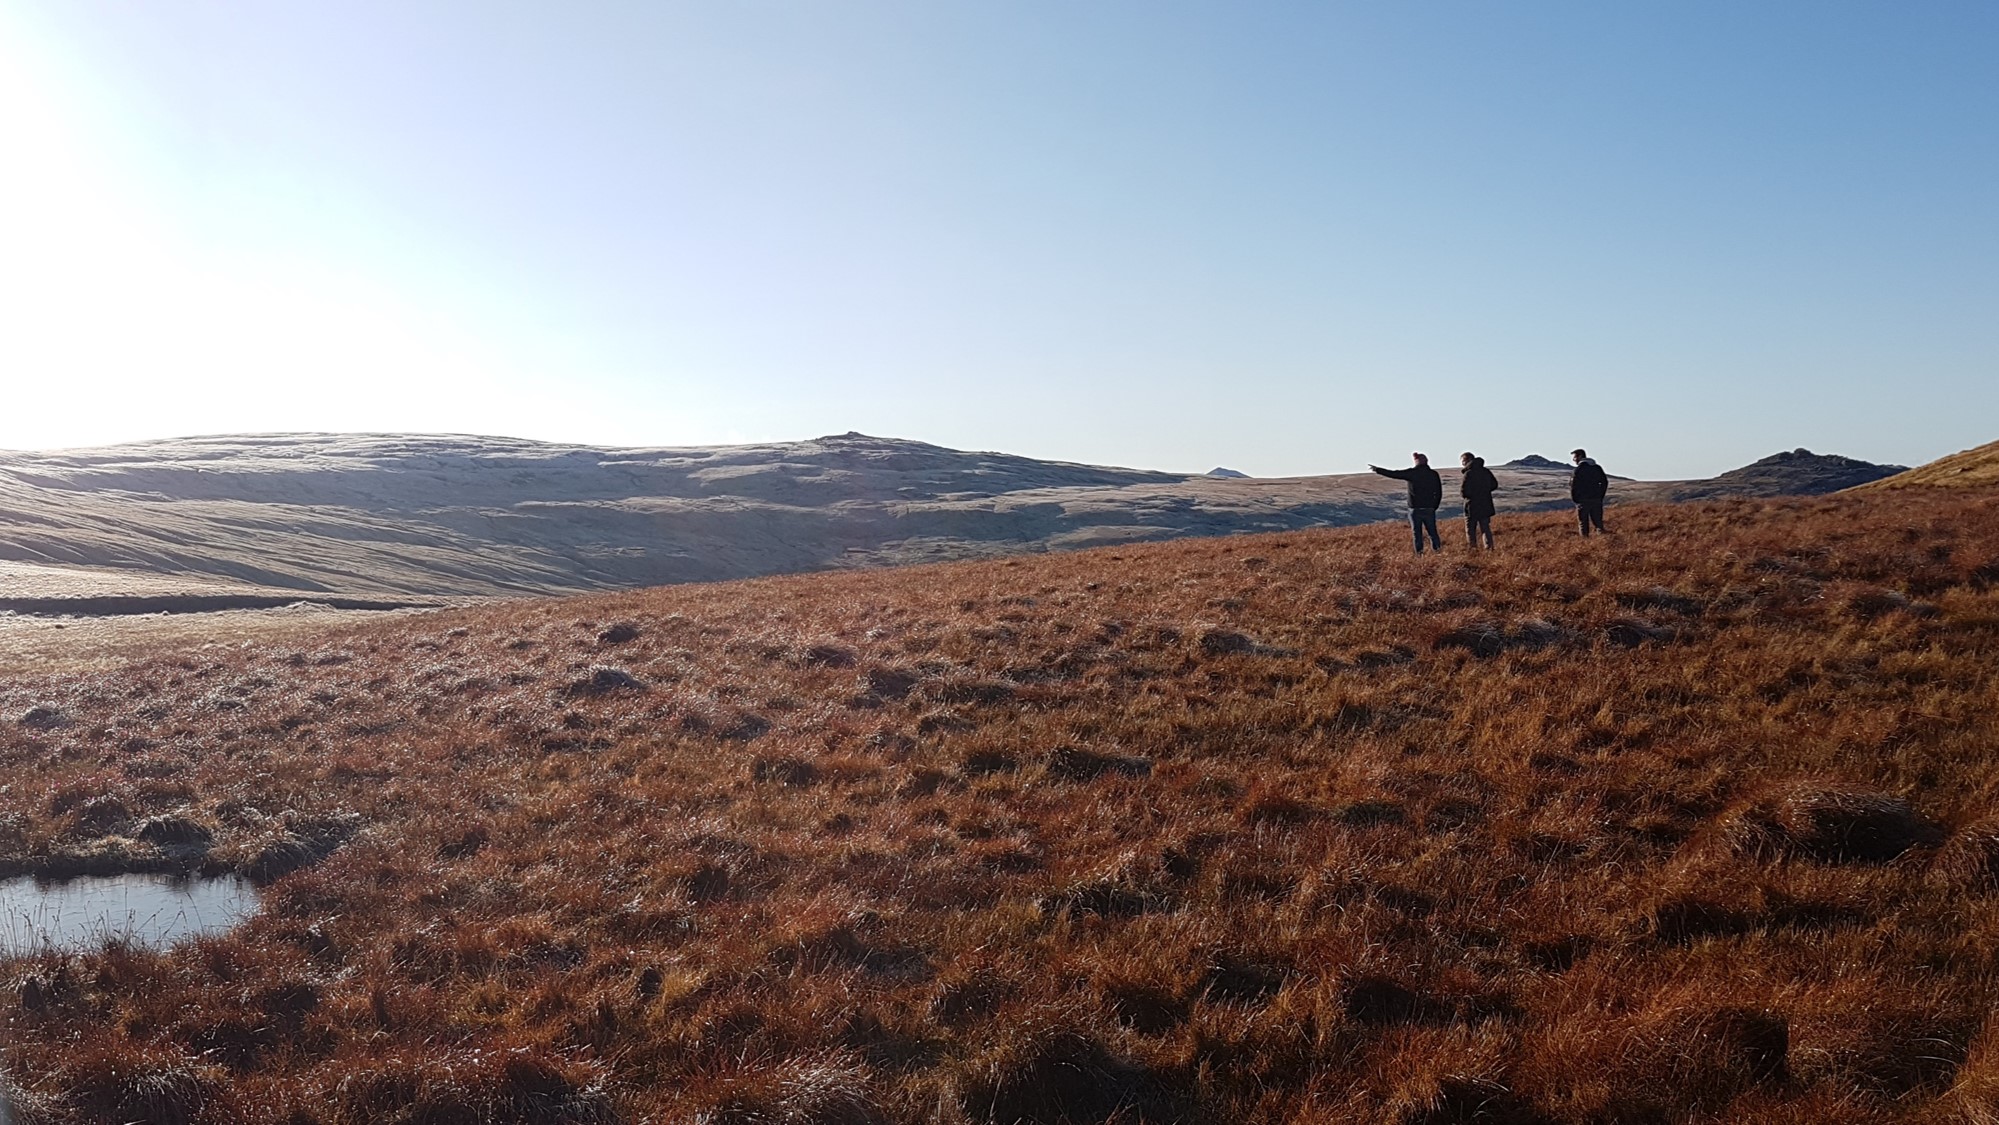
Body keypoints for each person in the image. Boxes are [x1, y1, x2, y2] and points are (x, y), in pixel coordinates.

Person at [1370, 452, 1444, 554]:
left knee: (1417, 533)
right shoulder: (1433, 474)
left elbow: (1394, 474)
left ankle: (1419, 555)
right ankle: (1438, 552)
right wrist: (1434, 506)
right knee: (1432, 532)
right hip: (1429, 508)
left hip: (1415, 509)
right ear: (1426, 461)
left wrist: (1378, 470)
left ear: (1417, 461)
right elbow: (1439, 492)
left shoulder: (1412, 473)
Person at [1459, 452, 1498, 549]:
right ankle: (1489, 548)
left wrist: (1470, 495)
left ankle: (1473, 549)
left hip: (1471, 505)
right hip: (1485, 504)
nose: (1462, 464)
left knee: (1470, 530)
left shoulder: (1468, 473)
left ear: (1467, 460)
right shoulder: (1485, 471)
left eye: (1463, 461)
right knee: (1485, 528)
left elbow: (1463, 492)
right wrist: (1485, 491)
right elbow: (1494, 485)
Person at [1570, 448, 1609, 537]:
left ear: (1580, 456)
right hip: (1596, 499)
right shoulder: (1597, 468)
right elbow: (1604, 482)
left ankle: (1585, 541)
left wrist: (1575, 498)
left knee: (1583, 523)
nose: (1574, 460)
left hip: (1583, 500)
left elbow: (1574, 486)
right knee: (1598, 522)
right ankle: (1603, 539)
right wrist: (1600, 495)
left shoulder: (1578, 470)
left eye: (1575, 457)